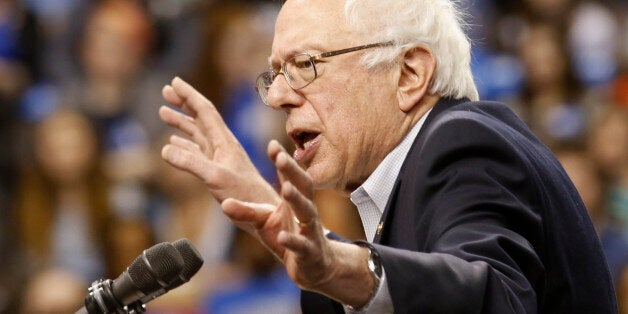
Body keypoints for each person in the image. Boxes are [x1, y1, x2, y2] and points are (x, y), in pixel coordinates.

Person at [158, 0, 617, 312]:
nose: (276, 95)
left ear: (409, 74)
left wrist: (343, 266)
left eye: (305, 65)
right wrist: (277, 218)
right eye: (274, 73)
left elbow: (492, 296)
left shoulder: (464, 143)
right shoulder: (411, 175)